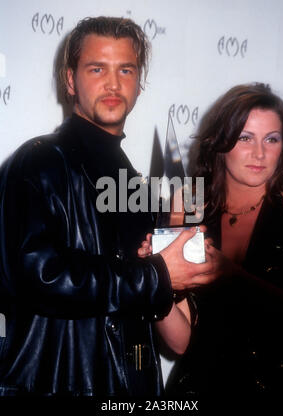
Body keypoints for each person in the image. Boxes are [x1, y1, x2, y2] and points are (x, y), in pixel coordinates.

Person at [0, 16, 214, 398]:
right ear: (70, 81)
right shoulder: (39, 163)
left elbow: (156, 318)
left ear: (139, 82)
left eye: (125, 69)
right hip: (59, 384)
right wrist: (157, 275)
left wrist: (174, 272)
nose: (113, 84)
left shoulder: (134, 182)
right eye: (97, 68)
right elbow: (38, 276)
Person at [148, 83, 283, 401]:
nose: (259, 153)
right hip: (198, 391)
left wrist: (231, 277)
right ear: (221, 142)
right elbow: (180, 344)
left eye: (271, 139)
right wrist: (157, 281)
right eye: (245, 138)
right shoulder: (186, 206)